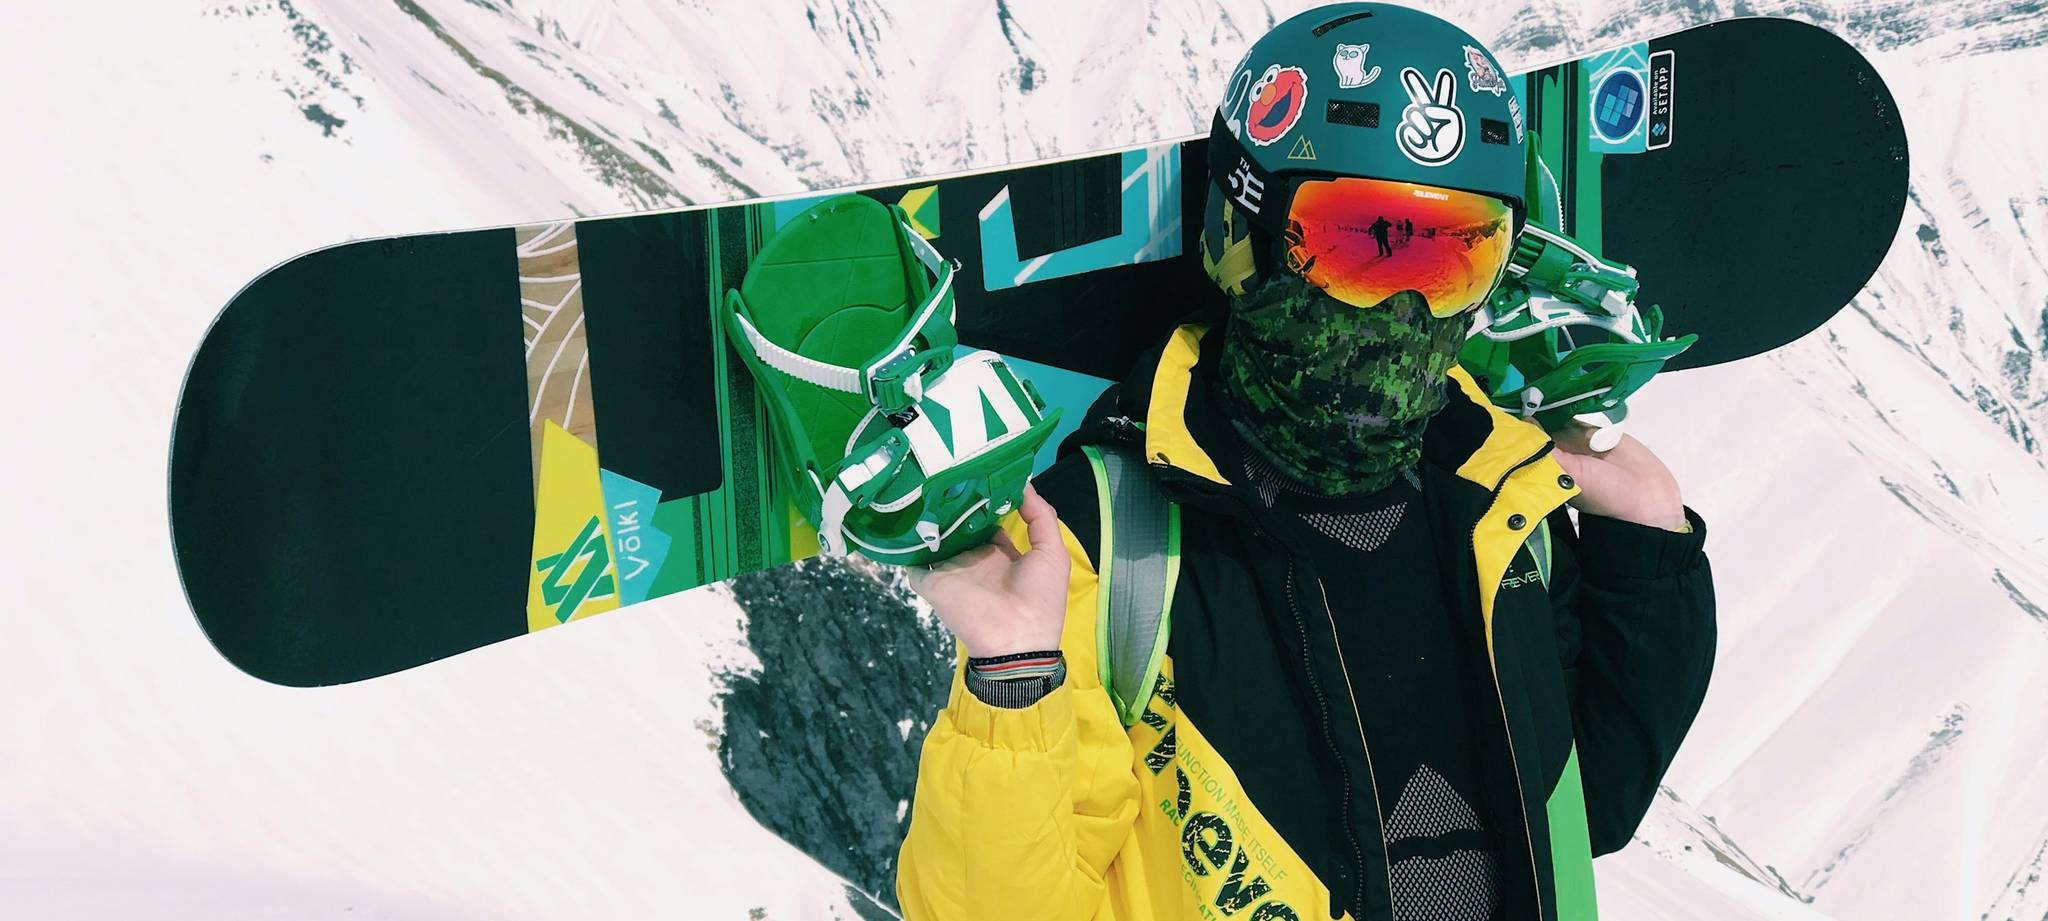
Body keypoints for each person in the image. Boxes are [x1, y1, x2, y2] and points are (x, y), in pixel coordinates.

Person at [896, 5, 1715, 921]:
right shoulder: (1101, 540)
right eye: (1358, 241)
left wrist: (1647, 534)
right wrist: (1011, 679)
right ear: (1243, 235)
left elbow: (1580, 804)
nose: (1403, 310)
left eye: (1454, 257)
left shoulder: (1495, 505)